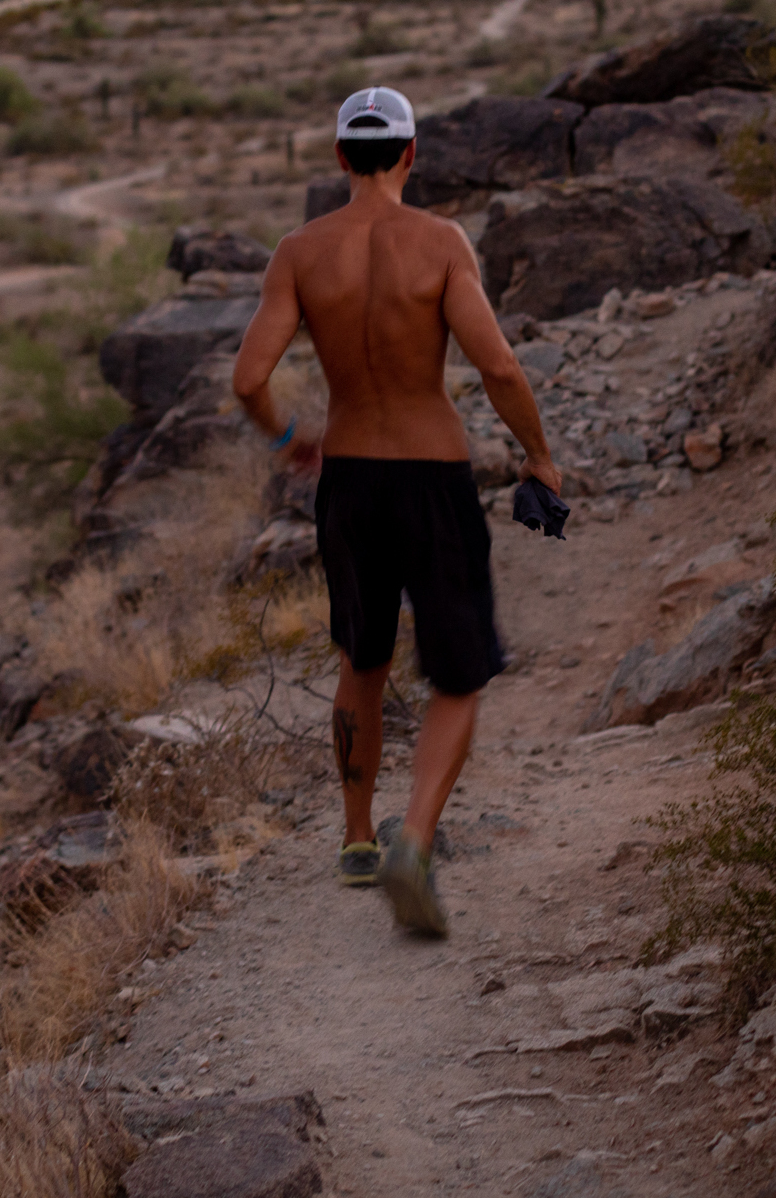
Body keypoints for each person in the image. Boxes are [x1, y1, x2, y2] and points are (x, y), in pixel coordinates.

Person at [231, 87, 560, 938]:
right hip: (431, 475)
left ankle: (353, 839)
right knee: (459, 673)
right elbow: (497, 366)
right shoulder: (441, 244)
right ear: (412, 153)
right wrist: (539, 455)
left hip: (350, 479)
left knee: (362, 658)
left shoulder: (300, 252)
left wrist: (291, 440)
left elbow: (247, 379)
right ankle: (411, 839)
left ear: (341, 158)